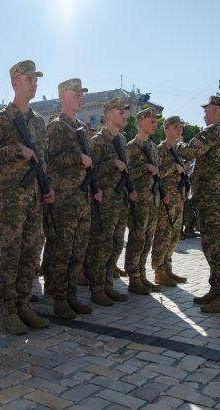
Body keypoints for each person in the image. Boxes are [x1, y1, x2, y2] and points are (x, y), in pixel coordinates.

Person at [0, 60, 54, 334]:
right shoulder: (0, 119)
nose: (34, 82)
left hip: (34, 197)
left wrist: (47, 186)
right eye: (29, 78)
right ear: (15, 83)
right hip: (10, 198)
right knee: (9, 255)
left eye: (36, 78)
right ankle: (9, 310)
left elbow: (43, 158)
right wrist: (16, 149)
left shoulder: (38, 121)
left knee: (30, 254)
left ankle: (24, 304)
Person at [44, 78, 102, 319]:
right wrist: (77, 157)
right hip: (65, 200)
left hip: (82, 197)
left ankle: (71, 295)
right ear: (63, 96)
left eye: (82, 93)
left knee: (78, 252)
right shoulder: (57, 126)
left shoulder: (79, 126)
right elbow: (50, 159)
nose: (81, 97)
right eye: (76, 93)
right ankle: (59, 299)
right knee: (62, 251)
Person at [176, 96, 220, 313]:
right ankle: (217, 289)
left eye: (207, 111)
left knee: (214, 246)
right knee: (214, 243)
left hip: (212, 195)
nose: (204, 115)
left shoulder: (215, 130)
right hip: (218, 195)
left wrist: (177, 141)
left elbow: (188, 151)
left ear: (217, 111)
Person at [84, 98, 134, 306]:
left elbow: (127, 168)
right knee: (101, 245)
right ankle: (97, 289)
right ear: (108, 115)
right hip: (104, 202)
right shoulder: (96, 141)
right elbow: (90, 171)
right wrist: (111, 163)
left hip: (121, 200)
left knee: (115, 245)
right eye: (120, 111)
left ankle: (107, 285)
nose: (124, 114)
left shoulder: (122, 140)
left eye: (125, 111)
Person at [124, 107, 168, 294]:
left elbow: (157, 174)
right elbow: (126, 175)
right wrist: (144, 168)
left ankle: (142, 275)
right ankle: (133, 277)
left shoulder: (152, 146)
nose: (155, 124)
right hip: (138, 201)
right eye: (151, 120)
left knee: (147, 239)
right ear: (140, 122)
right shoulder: (131, 147)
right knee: (136, 238)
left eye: (156, 121)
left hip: (153, 198)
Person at [151, 116, 188, 284]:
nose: (179, 129)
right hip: (166, 198)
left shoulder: (178, 150)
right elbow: (155, 173)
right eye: (175, 127)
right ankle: (159, 272)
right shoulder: (160, 149)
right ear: (166, 128)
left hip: (178, 198)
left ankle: (167, 268)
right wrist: (174, 167)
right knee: (163, 235)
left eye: (180, 127)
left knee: (173, 236)